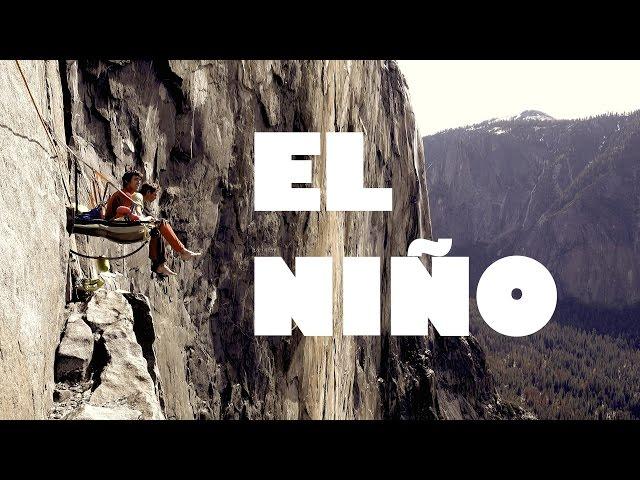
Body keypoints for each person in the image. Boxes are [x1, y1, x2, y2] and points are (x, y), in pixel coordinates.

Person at [139, 182, 201, 276]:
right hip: (137, 226)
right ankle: (182, 251)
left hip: (144, 227)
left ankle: (160, 265)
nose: (155, 197)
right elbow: (137, 216)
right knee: (162, 223)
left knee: (158, 231)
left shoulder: (144, 204)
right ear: (148, 192)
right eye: (154, 194)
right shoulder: (138, 198)